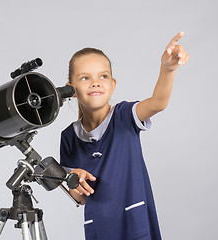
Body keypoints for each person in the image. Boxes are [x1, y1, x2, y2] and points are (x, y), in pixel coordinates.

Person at [60, 32, 189, 240]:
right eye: (85, 78)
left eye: (103, 76)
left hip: (134, 223)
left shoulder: (124, 116)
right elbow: (80, 198)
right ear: (71, 90)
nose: (95, 83)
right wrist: (75, 179)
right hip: (99, 227)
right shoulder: (69, 137)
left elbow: (158, 103)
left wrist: (168, 69)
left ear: (113, 85)